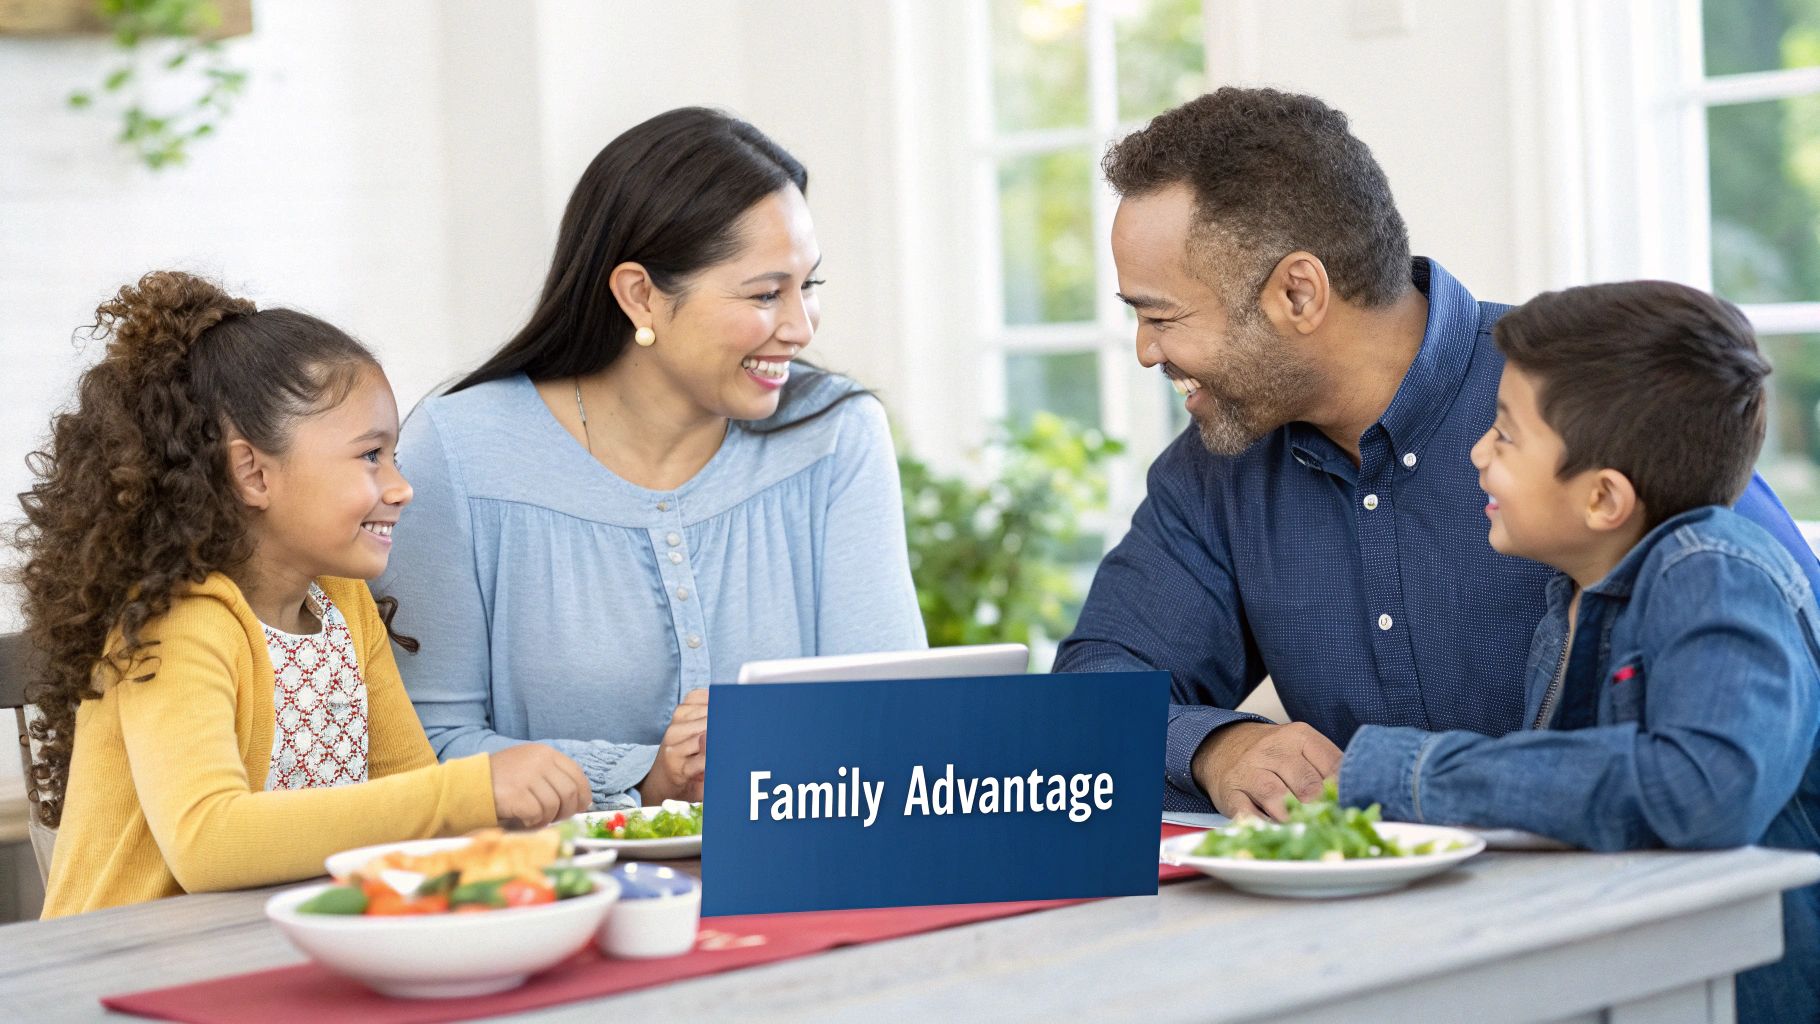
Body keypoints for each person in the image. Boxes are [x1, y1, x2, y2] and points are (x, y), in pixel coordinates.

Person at [1051, 86, 1820, 823]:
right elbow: (1089, 698)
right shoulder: (1219, 464)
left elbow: (1749, 734)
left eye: (1162, 317)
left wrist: (1405, 775)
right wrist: (1216, 749)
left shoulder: (1589, 401)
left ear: (1298, 294)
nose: (1147, 352)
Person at [375, 107, 925, 811]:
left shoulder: (836, 434)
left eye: (808, 286)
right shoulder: (460, 451)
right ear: (640, 295)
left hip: (808, 861)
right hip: (550, 876)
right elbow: (425, 745)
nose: (800, 327)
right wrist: (641, 775)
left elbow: (894, 714)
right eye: (766, 294)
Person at [19, 271, 589, 917]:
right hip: (133, 959)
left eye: (395, 456)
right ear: (253, 473)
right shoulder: (179, 626)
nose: (401, 487)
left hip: (272, 945)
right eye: (371, 455)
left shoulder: (344, 607)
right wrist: (468, 793)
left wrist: (502, 824)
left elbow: (411, 794)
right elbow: (208, 843)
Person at [1340, 280, 1819, 1020]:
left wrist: (1414, 774)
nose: (1477, 452)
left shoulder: (1712, 570)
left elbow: (1703, 790)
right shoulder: (1570, 601)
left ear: (1603, 499)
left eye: (1505, 435)